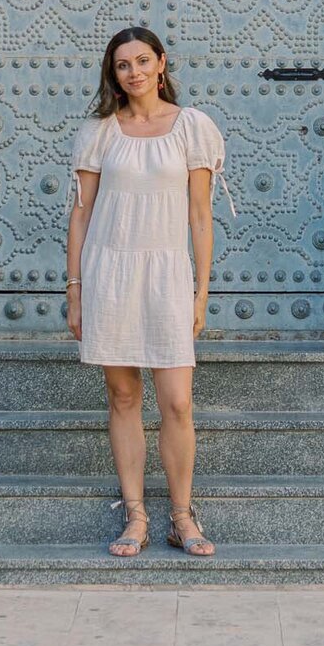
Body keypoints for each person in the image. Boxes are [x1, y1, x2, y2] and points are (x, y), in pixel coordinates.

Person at [66, 27, 229, 559]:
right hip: (109, 272)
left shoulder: (192, 127)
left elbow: (201, 218)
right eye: (121, 65)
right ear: (112, 74)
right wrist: (75, 291)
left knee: (177, 402)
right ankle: (135, 513)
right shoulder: (99, 131)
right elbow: (82, 213)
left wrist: (201, 293)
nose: (133, 72)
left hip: (166, 275)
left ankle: (182, 516)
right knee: (123, 396)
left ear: (161, 63)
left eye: (142, 61)